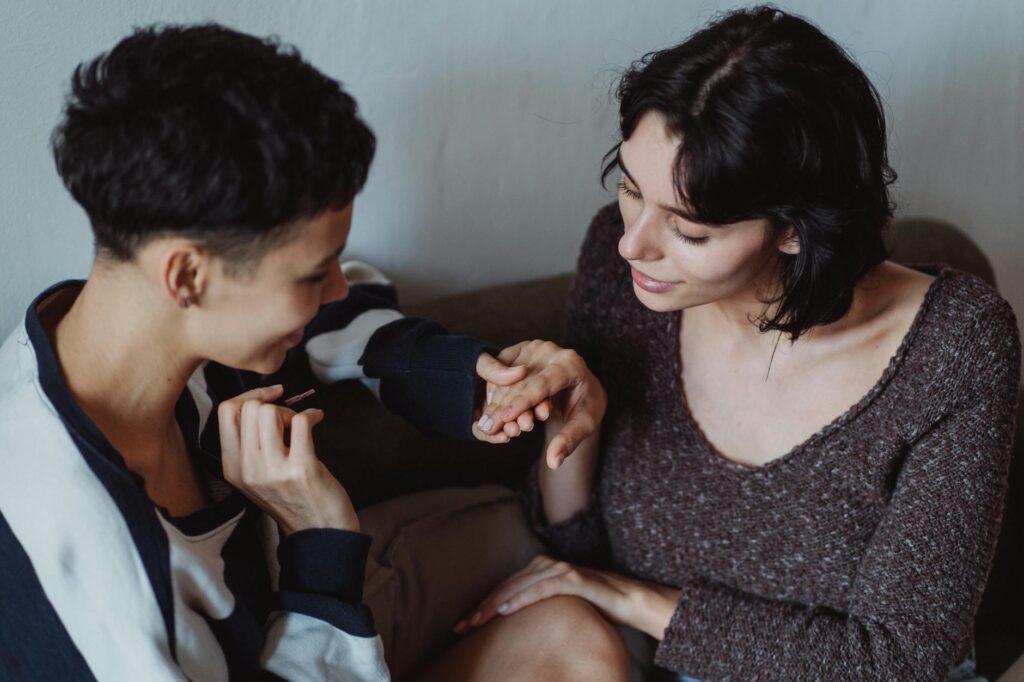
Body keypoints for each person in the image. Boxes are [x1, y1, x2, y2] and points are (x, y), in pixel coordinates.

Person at [0, 24, 602, 680]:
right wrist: (319, 539)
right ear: (186, 276)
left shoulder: (119, 320)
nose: (338, 285)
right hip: (309, 613)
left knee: (577, 600)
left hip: (301, 606)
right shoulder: (99, 590)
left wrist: (476, 380)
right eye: (315, 273)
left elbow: (341, 312)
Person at [439, 6, 1021, 681]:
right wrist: (574, 426)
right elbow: (578, 551)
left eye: (689, 231)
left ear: (796, 230)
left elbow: (897, 659)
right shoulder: (620, 266)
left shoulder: (956, 346)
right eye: (630, 188)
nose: (635, 241)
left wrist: (637, 601)